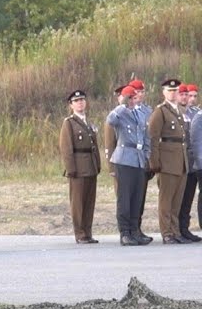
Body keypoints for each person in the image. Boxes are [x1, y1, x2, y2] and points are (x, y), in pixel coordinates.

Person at [107, 85, 153, 245]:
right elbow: (110, 120)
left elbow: (146, 135)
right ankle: (125, 232)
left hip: (139, 159)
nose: (132, 101)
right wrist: (121, 105)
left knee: (137, 197)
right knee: (125, 198)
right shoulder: (120, 114)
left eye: (133, 98)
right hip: (125, 159)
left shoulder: (141, 114)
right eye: (129, 98)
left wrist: (146, 154)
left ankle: (135, 230)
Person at [148, 78, 188, 243]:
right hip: (167, 161)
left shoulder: (179, 111)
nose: (173, 93)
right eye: (170, 91)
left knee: (177, 200)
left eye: (176, 91)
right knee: (166, 199)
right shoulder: (160, 111)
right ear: (163, 93)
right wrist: (154, 161)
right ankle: (167, 233)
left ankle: (175, 230)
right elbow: (153, 137)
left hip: (180, 160)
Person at [59, 90, 101, 244]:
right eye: (76, 101)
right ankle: (80, 233)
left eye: (82, 100)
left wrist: (97, 164)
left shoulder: (88, 123)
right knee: (78, 202)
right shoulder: (69, 123)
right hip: (78, 167)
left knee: (89, 202)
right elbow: (66, 148)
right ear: (71, 105)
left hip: (90, 166)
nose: (80, 103)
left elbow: (94, 146)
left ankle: (88, 232)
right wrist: (71, 169)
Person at [184, 85, 202, 241]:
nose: (192, 99)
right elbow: (194, 142)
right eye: (190, 95)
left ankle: (184, 227)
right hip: (193, 163)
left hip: (195, 163)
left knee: (191, 196)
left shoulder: (196, 113)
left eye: (195, 96)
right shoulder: (197, 117)